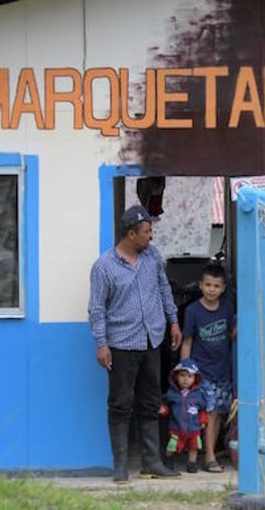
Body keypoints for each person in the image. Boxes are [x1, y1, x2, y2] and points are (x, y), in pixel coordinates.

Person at [88, 204, 182, 482]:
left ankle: (151, 461)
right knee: (120, 403)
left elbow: (164, 289)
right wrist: (101, 344)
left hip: (152, 340)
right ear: (131, 234)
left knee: (151, 401)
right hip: (121, 345)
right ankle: (120, 466)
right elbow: (96, 308)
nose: (150, 236)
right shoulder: (104, 266)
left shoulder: (153, 256)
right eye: (146, 231)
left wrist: (173, 321)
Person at [180, 261, 236, 473]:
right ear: (201, 286)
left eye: (216, 286)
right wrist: (186, 371)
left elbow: (231, 334)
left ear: (223, 288)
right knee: (210, 412)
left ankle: (209, 449)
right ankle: (210, 458)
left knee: (219, 412)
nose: (212, 289)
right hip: (202, 370)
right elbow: (187, 342)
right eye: (208, 285)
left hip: (223, 370)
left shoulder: (227, 307)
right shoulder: (193, 311)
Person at [163, 358, 208, 473]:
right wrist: (163, 409)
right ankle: (168, 459)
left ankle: (192, 463)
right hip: (176, 428)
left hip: (193, 428)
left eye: (189, 376)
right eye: (182, 375)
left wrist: (203, 421)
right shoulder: (172, 394)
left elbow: (202, 409)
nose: (185, 379)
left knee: (194, 447)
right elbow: (166, 404)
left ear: (195, 379)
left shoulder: (198, 395)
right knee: (172, 446)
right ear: (176, 377)